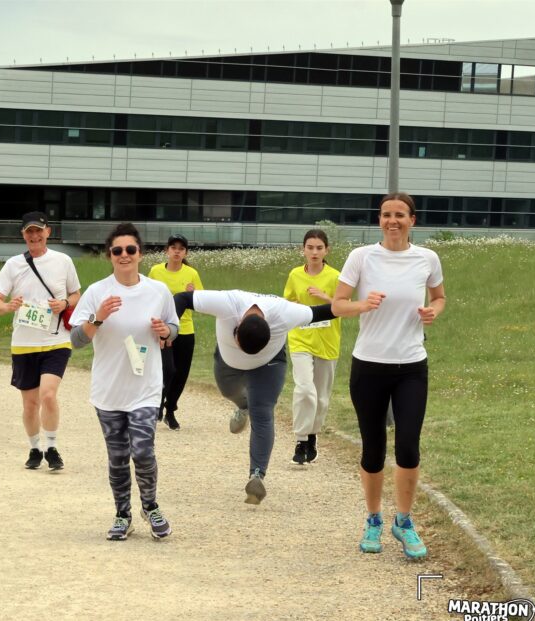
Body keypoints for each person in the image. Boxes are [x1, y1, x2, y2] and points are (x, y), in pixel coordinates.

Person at [332, 192, 445, 560]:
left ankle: (404, 521)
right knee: (373, 448)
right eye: (385, 215)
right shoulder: (361, 257)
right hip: (369, 365)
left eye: (399, 215)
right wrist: (362, 305)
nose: (392, 221)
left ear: (412, 220)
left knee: (408, 445)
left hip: (411, 365)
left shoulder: (427, 258)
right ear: (379, 220)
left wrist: (433, 311)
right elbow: (337, 305)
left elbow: (439, 297)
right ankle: (373, 519)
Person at [173, 289, 336, 505]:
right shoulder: (228, 303)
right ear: (238, 324)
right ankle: (243, 406)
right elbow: (183, 298)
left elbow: (324, 312)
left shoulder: (284, 313)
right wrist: (170, 329)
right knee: (227, 391)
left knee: (262, 412)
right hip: (228, 362)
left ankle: (257, 475)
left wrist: (361, 306)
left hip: (268, 364)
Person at [70, 223, 179, 540]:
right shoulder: (97, 292)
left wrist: (166, 331)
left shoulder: (158, 291)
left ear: (140, 254)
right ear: (110, 255)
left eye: (130, 249)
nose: (124, 255)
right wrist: (98, 317)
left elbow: (173, 328)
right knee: (117, 457)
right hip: (109, 391)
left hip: (145, 388)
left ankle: (150, 506)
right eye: (117, 250)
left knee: (143, 451)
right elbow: (76, 340)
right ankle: (122, 515)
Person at [0, 211, 81, 471]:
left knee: (48, 395)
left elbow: (76, 294)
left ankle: (51, 447)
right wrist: (8, 306)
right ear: (23, 235)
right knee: (30, 404)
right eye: (29, 231)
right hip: (24, 343)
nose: (34, 236)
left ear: (48, 232)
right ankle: (34, 448)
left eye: (38, 231)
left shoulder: (63, 261)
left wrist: (64, 303)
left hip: (56, 341)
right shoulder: (13, 264)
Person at [283, 229, 342, 464]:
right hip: (300, 338)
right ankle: (300, 440)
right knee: (304, 389)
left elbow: (345, 306)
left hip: (327, 340)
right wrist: (293, 305)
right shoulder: (295, 274)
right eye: (310, 247)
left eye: (319, 248)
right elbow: (287, 302)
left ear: (327, 250)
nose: (314, 252)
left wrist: (325, 297)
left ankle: (312, 435)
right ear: (303, 250)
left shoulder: (335, 276)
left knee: (321, 396)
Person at [147, 234, 204, 431]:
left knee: (181, 373)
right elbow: (148, 299)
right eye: (173, 247)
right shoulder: (155, 271)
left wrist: (193, 293)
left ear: (185, 253)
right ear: (167, 251)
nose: (177, 251)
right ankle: (157, 403)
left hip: (185, 330)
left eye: (181, 248)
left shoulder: (192, 273)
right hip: (161, 329)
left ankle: (170, 410)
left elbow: (201, 302)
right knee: (167, 369)